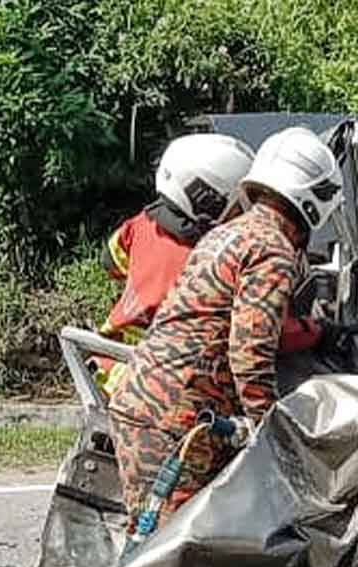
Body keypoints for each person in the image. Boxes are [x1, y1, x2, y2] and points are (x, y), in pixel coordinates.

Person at [108, 126, 345, 534]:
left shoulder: (228, 233)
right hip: (175, 417)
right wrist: (268, 427)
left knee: (156, 539)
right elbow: (250, 349)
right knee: (172, 552)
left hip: (148, 403)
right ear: (316, 199)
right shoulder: (272, 248)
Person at [93, 134, 256, 394]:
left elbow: (111, 263)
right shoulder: (210, 260)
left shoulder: (140, 224)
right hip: (151, 381)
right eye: (237, 206)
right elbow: (252, 328)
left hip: (111, 363)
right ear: (206, 200)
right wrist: (318, 332)